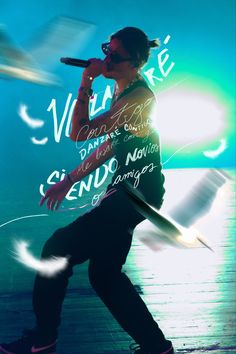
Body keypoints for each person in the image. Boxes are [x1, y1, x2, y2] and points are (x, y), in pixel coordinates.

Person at [0, 27, 174, 354]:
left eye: (114, 56)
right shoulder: (124, 89)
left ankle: (43, 339)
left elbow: (78, 133)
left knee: (56, 249)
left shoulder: (136, 98)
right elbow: (112, 144)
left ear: (135, 63)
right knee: (104, 274)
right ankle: (156, 347)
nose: (106, 58)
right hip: (131, 194)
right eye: (107, 49)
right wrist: (70, 180)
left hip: (134, 196)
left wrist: (86, 81)